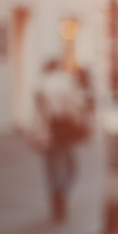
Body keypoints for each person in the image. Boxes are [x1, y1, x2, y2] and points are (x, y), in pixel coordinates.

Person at [33, 59, 88, 221]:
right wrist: (81, 124)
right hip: (63, 133)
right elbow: (74, 108)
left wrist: (35, 134)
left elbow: (35, 115)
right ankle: (61, 193)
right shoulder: (65, 84)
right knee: (69, 166)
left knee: (50, 167)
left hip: (45, 133)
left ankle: (54, 197)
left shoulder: (39, 85)